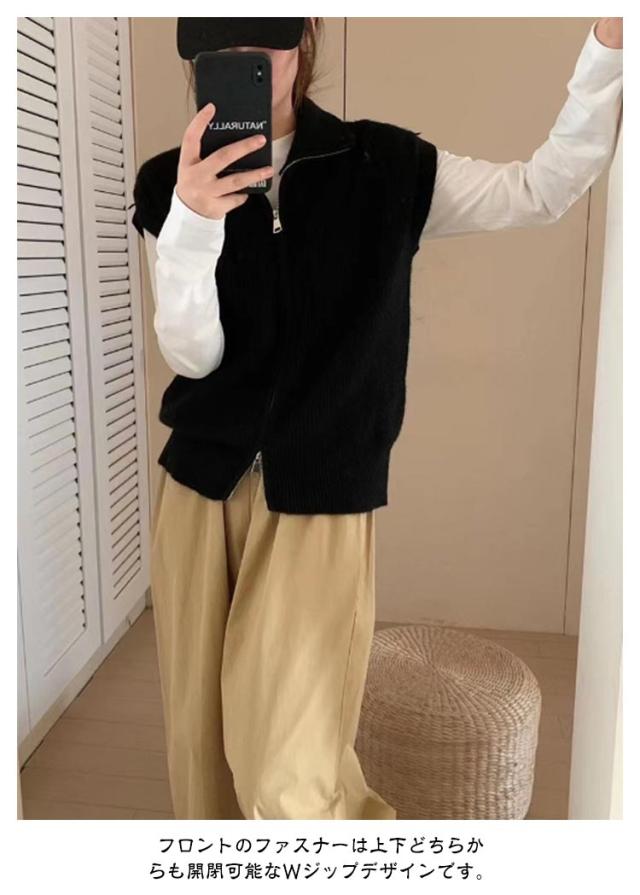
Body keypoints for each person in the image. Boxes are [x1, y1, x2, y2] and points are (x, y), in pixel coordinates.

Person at [131, 17, 623, 820]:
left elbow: (545, 187)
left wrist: (608, 44)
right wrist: (192, 223)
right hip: (199, 490)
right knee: (202, 747)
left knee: (289, 773)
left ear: (305, 40)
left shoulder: (385, 165)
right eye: (226, 48)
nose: (252, 62)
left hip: (320, 496)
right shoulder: (166, 183)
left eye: (267, 41)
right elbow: (194, 356)